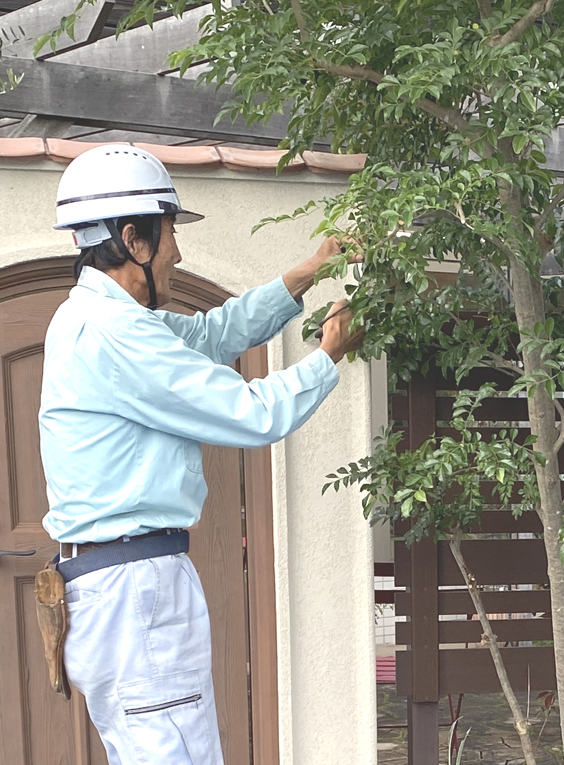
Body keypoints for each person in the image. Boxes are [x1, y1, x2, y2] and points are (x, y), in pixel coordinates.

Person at [39, 144, 363, 765]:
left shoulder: (92, 317)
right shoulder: (115, 333)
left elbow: (212, 335)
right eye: (170, 235)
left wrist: (309, 270)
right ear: (133, 239)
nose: (178, 253)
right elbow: (253, 413)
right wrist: (329, 356)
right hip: (134, 587)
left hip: (118, 582)